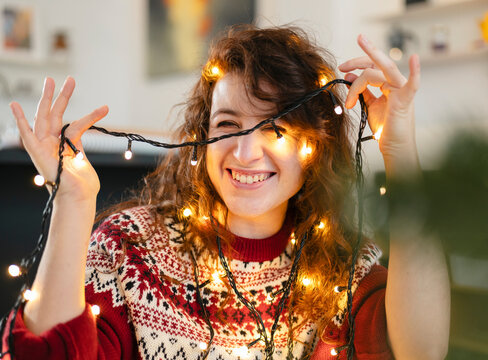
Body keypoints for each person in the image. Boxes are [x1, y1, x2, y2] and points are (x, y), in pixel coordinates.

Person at [2, 25, 450, 359]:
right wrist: (73, 201)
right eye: (227, 125)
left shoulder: (342, 264)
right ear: (202, 136)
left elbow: (423, 351)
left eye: (275, 127)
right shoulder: (129, 249)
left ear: (315, 144)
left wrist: (399, 151)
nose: (245, 150)